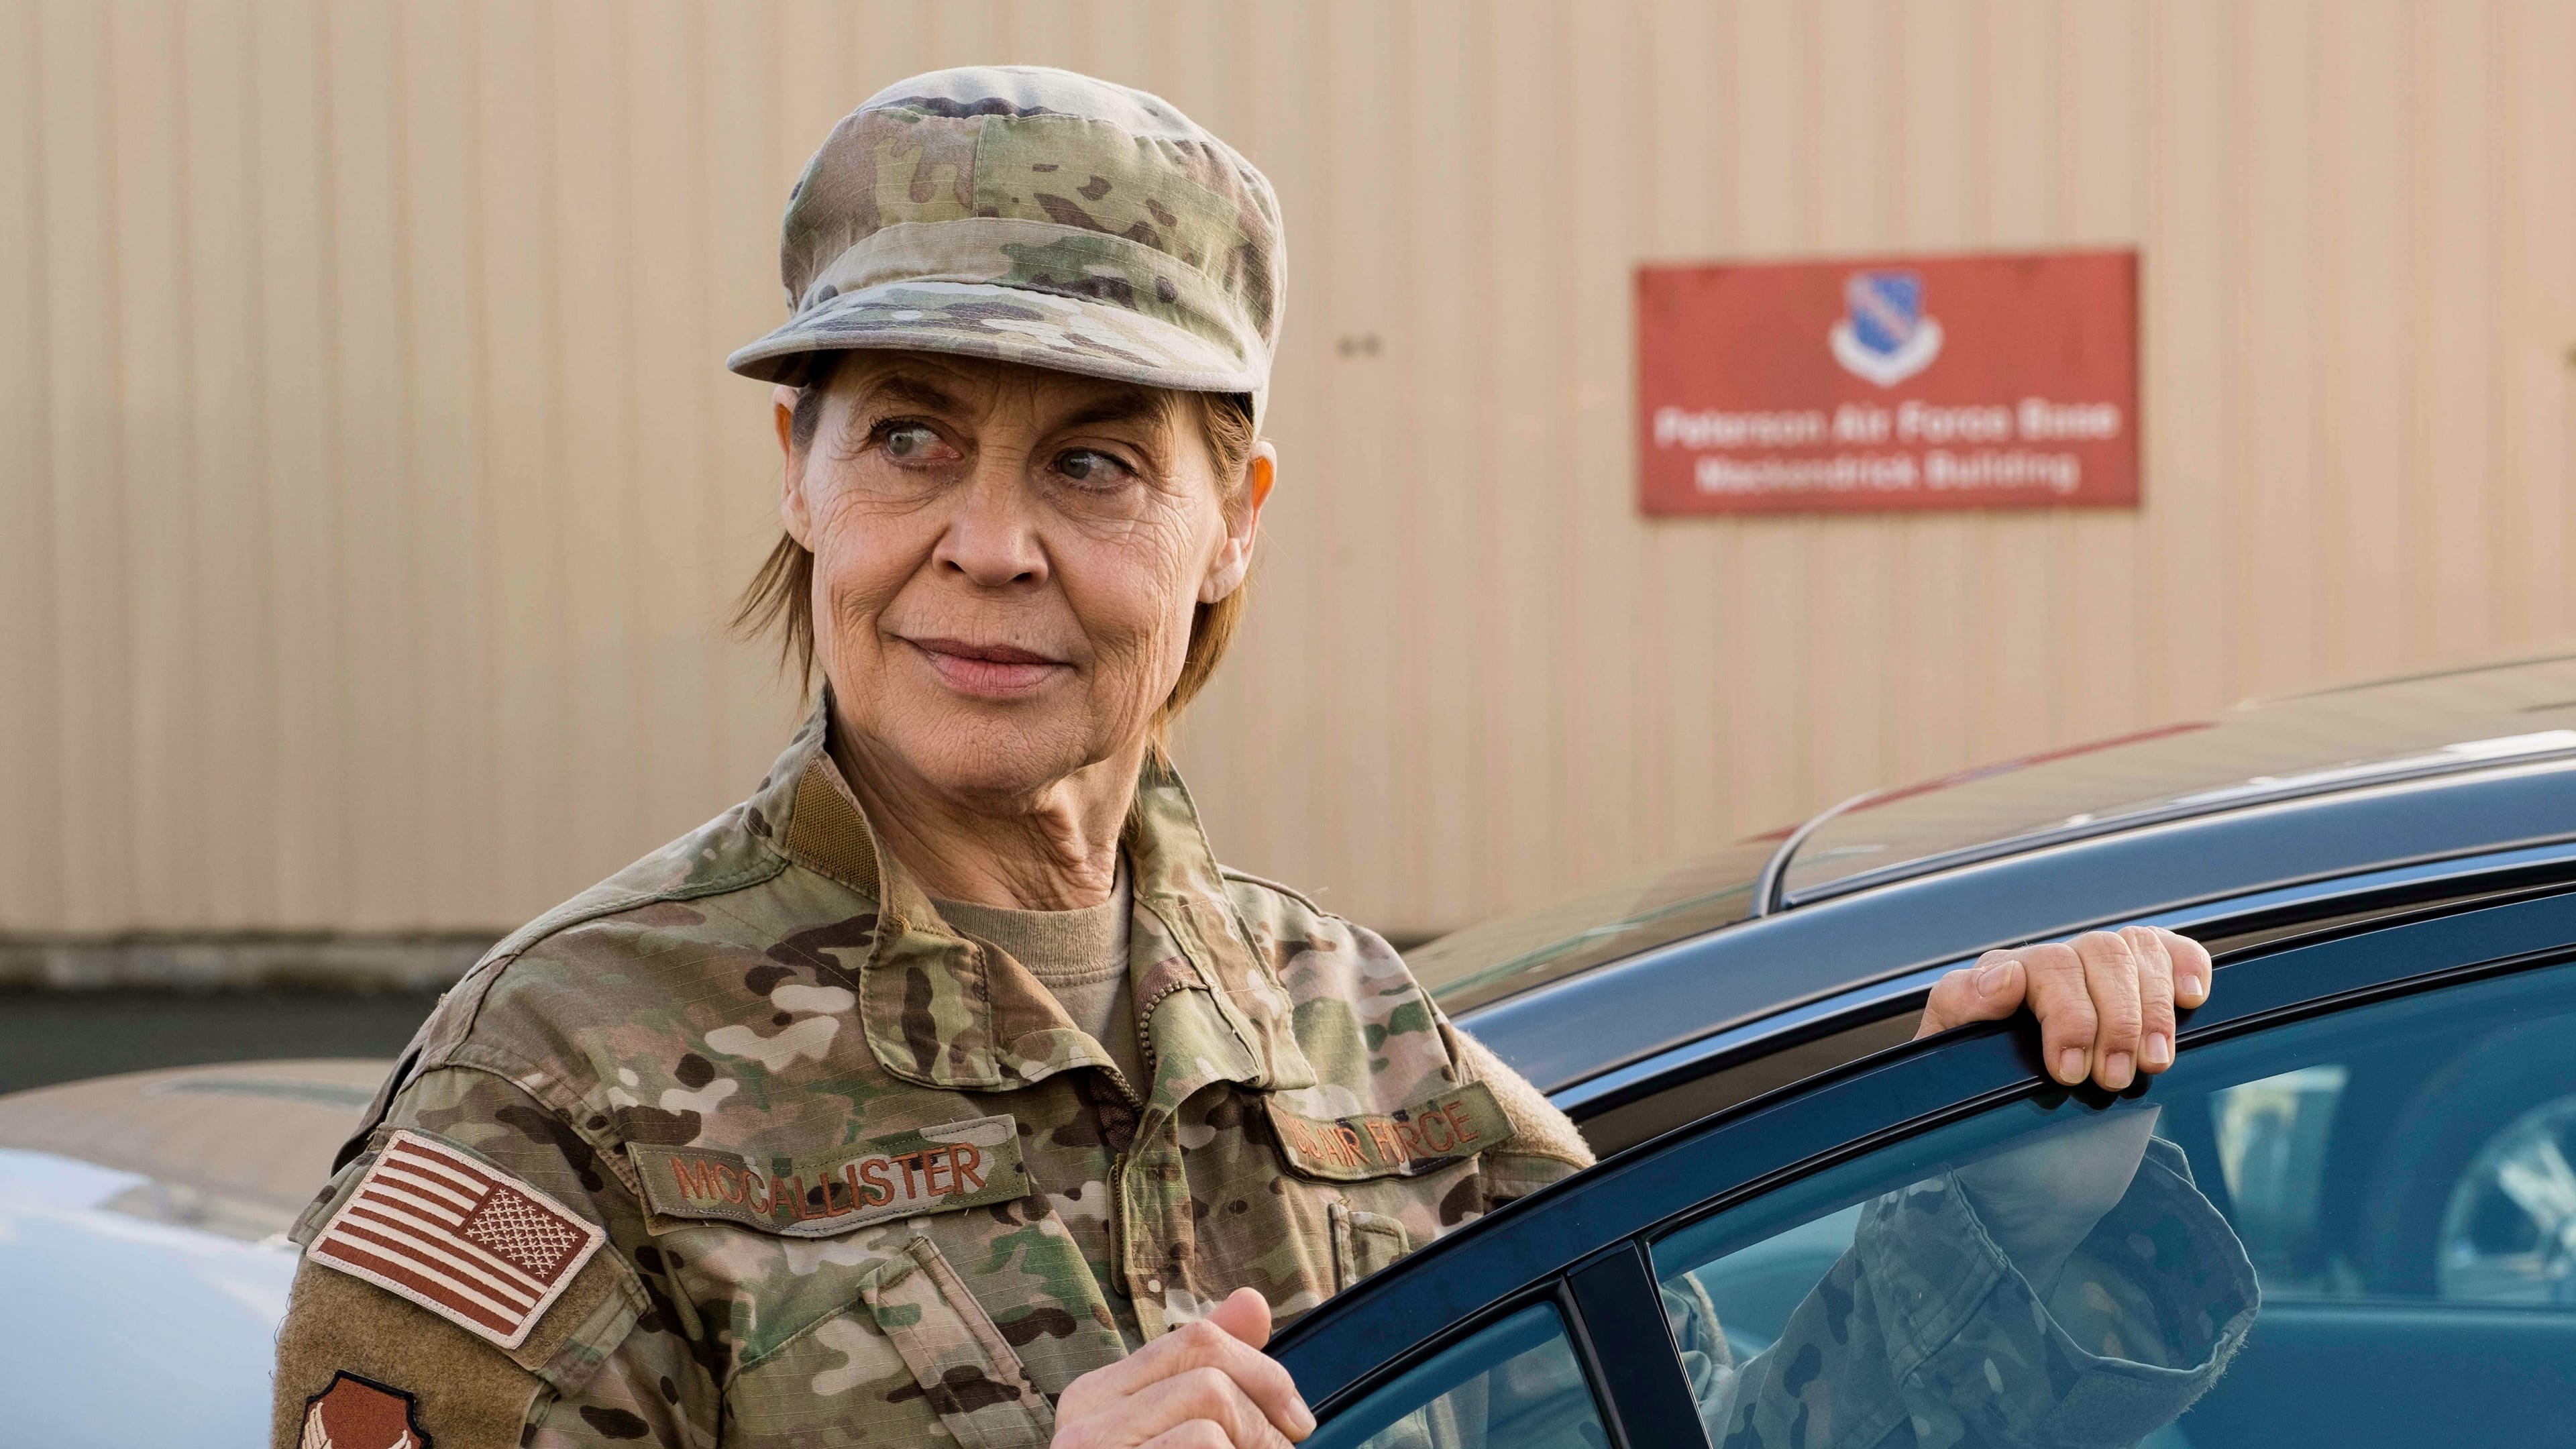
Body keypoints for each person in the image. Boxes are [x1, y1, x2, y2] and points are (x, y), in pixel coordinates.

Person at [269, 66, 2246, 1449]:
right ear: (799, 473)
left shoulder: (1358, 1046)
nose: (989, 542)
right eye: (910, 438)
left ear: (1236, 522)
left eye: (1094, 463)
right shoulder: (557, 1086)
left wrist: (2005, 1200)